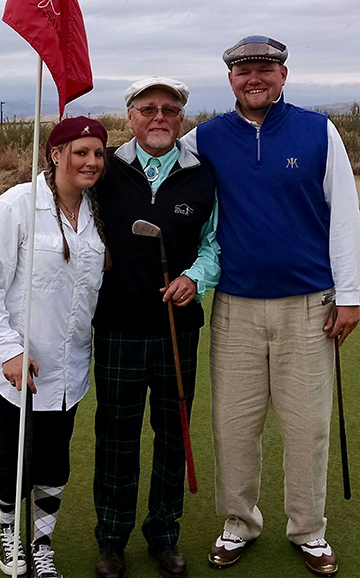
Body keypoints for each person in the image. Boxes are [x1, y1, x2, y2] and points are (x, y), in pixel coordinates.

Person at [181, 36, 360, 576]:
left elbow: (345, 217)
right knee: (235, 424)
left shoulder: (318, 130)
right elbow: (149, 163)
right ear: (230, 79)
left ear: (283, 75)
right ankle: (239, 522)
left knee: (308, 426)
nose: (254, 78)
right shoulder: (205, 138)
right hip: (235, 305)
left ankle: (308, 530)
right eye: (243, 71)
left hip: (309, 305)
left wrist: (350, 297)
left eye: (265, 69)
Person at [93, 76, 220, 578]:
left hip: (176, 327)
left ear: (183, 118)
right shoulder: (106, 168)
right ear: (129, 117)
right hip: (117, 326)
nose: (159, 117)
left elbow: (214, 243)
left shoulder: (202, 174)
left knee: (173, 434)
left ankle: (164, 535)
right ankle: (111, 538)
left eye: (169, 108)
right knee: (117, 435)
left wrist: (194, 277)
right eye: (147, 108)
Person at [0, 116, 108, 578]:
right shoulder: (17, 204)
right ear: (55, 154)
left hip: (70, 369)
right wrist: (7, 350)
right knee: (16, 462)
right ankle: (9, 534)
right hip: (19, 367)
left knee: (55, 463)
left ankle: (41, 543)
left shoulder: (97, 212)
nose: (91, 162)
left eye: (98, 153)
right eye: (80, 152)